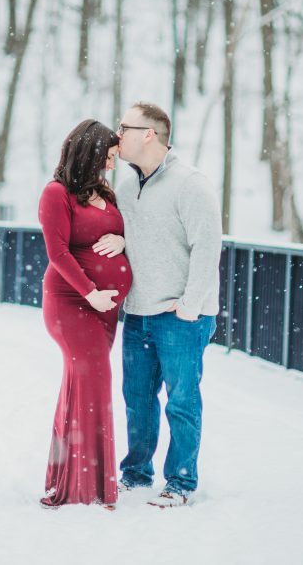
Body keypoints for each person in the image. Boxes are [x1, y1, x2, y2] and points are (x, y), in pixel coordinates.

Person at [99, 101, 222, 508]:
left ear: (149, 134)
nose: (118, 134)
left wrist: (190, 305)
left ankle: (181, 483)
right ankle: (136, 474)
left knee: (181, 402)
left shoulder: (191, 184)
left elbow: (207, 247)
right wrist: (122, 241)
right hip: (137, 313)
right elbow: (142, 235)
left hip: (180, 316)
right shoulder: (125, 186)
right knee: (137, 400)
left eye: (125, 127)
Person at [37, 119, 132, 510]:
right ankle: (85, 486)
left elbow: (121, 232)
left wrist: (122, 239)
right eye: (109, 156)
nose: (111, 164)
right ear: (91, 153)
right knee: (94, 382)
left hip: (103, 310)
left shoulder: (105, 192)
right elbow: (57, 252)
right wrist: (91, 293)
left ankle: (72, 478)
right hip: (71, 302)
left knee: (82, 386)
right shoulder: (56, 193)